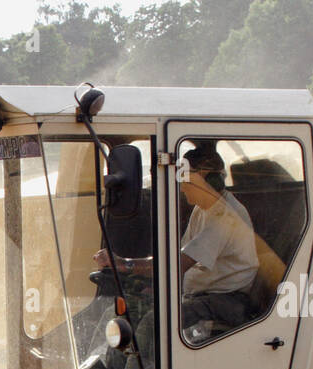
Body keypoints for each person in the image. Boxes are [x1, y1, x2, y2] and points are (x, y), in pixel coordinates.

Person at [93, 144, 258, 344]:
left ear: (210, 180)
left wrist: (124, 263)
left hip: (225, 301)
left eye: (186, 179)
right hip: (202, 295)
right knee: (121, 311)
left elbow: (176, 265)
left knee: (152, 324)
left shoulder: (225, 218)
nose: (182, 186)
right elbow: (175, 258)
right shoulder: (203, 209)